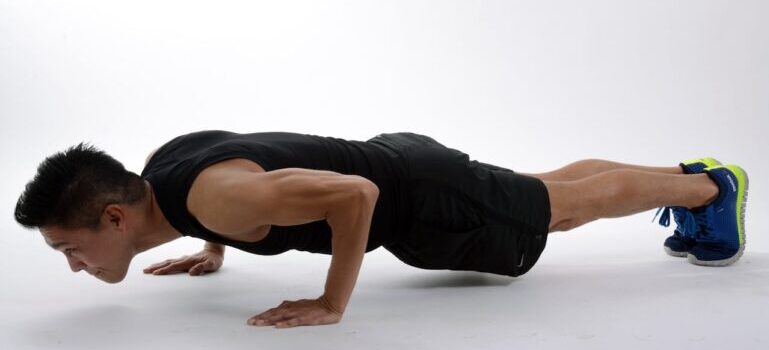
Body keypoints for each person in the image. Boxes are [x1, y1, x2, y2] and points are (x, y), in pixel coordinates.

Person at [13, 130, 748, 328]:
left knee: (561, 208)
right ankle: (689, 174)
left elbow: (353, 196)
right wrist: (213, 249)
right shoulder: (166, 175)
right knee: (545, 188)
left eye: (70, 248)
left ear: (113, 216)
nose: (75, 265)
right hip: (407, 162)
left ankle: (711, 187)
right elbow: (230, 179)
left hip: (414, 197)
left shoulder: (218, 201)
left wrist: (332, 304)